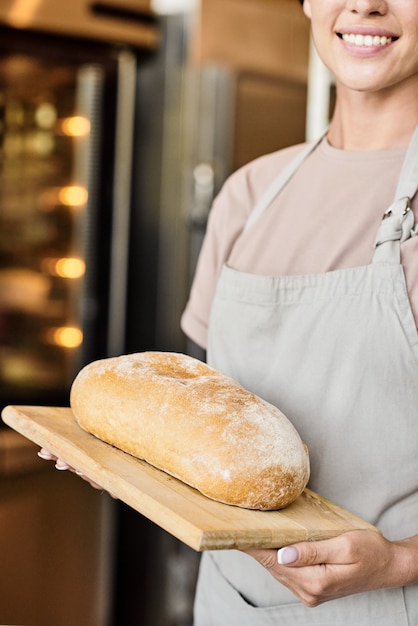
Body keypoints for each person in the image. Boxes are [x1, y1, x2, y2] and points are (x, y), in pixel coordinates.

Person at [40, 0, 418, 623]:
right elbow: (206, 411)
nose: (366, 4)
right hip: (230, 604)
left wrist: (401, 563)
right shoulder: (249, 194)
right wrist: (128, 464)